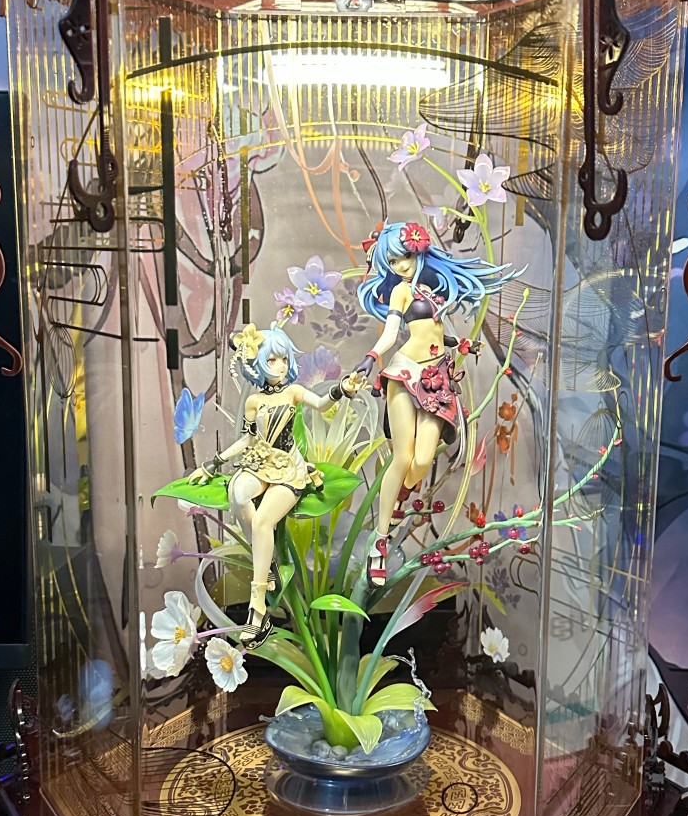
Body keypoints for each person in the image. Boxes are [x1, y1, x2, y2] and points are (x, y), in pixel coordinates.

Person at [352, 220, 514, 585]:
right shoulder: (401, 292)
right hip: (406, 373)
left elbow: (437, 332)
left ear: (420, 253)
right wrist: (371, 356)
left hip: (438, 378)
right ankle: (380, 540)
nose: (401, 267)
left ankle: (399, 496)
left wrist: (460, 344)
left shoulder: (432, 290)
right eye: (393, 262)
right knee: (404, 457)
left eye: (405, 257)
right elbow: (392, 333)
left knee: (423, 460)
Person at [191, 322, 363, 644]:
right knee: (237, 493)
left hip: (288, 469)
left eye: (284, 359)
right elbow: (247, 440)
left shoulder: (293, 392)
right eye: (272, 360)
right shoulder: (253, 402)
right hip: (260, 462)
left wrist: (341, 389)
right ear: (257, 363)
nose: (281, 366)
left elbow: (321, 404)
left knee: (263, 523)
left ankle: (258, 611)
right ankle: (267, 562)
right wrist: (212, 463)